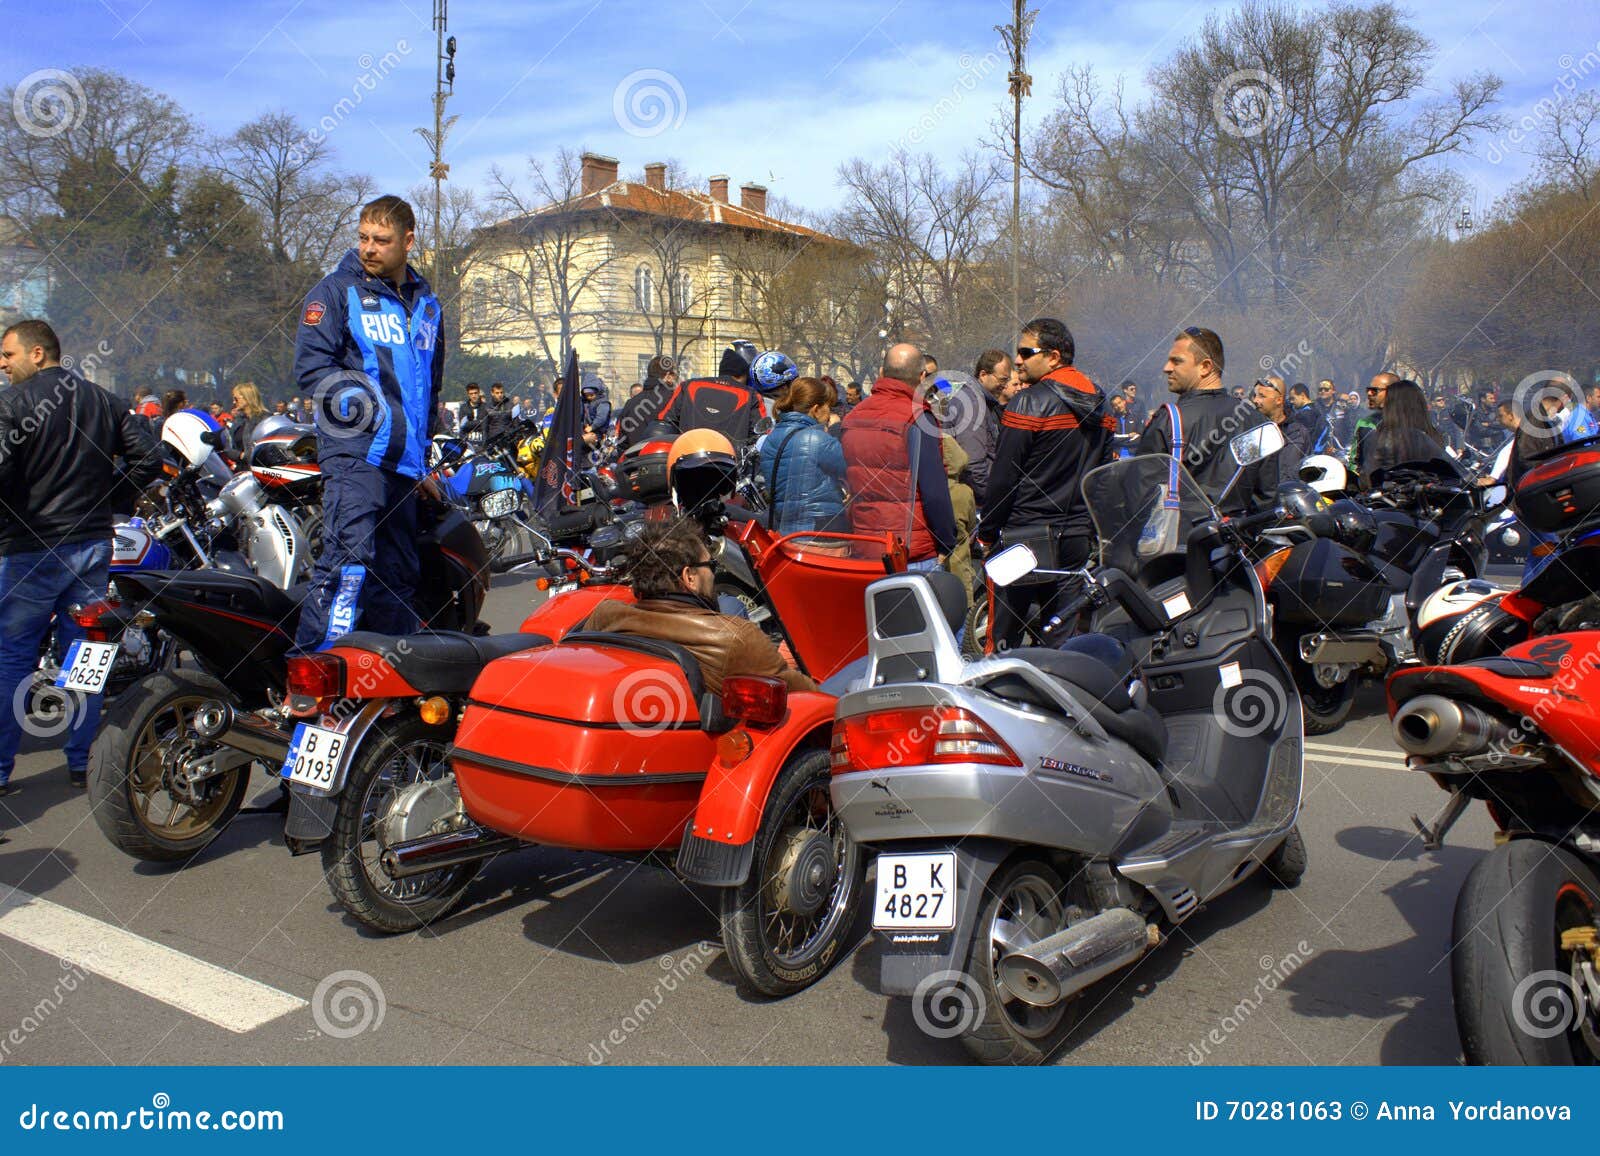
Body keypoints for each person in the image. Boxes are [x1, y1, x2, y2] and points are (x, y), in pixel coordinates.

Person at [0, 320, 163, 793]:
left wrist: (13, 515)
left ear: (37, 353)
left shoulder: (12, 403)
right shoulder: (103, 400)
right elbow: (148, 459)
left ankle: (3, 770)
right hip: (91, 543)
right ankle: (81, 762)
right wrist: (110, 501)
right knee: (85, 657)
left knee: (12, 660)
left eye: (8, 354)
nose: (3, 364)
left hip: (31, 548)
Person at [291, 194, 444, 651]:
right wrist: (369, 412)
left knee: (398, 575)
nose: (369, 248)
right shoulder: (335, 292)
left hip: (404, 465)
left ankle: (383, 684)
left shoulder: (429, 306)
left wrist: (422, 464)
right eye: (363, 238)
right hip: (355, 454)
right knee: (350, 560)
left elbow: (428, 390)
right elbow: (313, 370)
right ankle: (314, 672)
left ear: (408, 241)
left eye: (381, 240)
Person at [982, 317, 1113, 650]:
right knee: (1060, 636)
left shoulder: (1029, 401)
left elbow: (1004, 475)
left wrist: (987, 531)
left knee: (1002, 639)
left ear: (1054, 357)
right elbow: (1101, 476)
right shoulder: (1101, 402)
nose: (1019, 361)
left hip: (1024, 537)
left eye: (1026, 352)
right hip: (1075, 537)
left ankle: (995, 694)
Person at [584, 520, 815, 693]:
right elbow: (805, 695)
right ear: (690, 577)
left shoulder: (605, 615)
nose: (713, 573)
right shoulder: (737, 638)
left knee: (730, 604)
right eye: (710, 564)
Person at [840, 343, 957, 571]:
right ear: (922, 376)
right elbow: (934, 490)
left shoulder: (852, 417)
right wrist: (947, 540)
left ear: (882, 373)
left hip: (865, 547)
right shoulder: (918, 418)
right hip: (912, 552)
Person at [1137, 326, 1274, 509]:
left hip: (1180, 534)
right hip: (1237, 534)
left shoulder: (1168, 420)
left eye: (1176, 361)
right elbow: (1267, 500)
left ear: (1205, 366)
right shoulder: (1258, 423)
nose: (1166, 368)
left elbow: (1141, 496)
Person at [759, 377, 848, 534]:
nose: (829, 414)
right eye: (828, 407)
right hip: (822, 528)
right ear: (815, 409)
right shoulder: (818, 439)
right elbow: (852, 471)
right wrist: (835, 429)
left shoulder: (770, 440)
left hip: (785, 530)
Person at [664, 345, 765, 449]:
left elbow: (664, 421)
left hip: (685, 456)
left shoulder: (688, 386)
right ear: (743, 375)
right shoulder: (751, 395)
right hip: (731, 461)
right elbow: (762, 434)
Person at [954, 349, 1018, 509]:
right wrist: (991, 500)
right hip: (978, 502)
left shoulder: (978, 401)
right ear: (983, 375)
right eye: (1003, 380)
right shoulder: (973, 405)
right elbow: (973, 463)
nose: (1004, 386)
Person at [1357, 379, 1451, 483]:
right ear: (1420, 404)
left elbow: (1367, 479)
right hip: (1428, 496)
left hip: (1391, 496)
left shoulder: (1378, 437)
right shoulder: (1433, 434)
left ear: (1391, 405)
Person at [614, 355, 680, 450]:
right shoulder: (676, 400)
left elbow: (622, 443)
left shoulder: (631, 403)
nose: (677, 379)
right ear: (668, 376)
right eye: (676, 375)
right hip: (668, 459)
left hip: (636, 460)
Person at [1252, 377, 1309, 482]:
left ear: (1279, 400)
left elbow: (1306, 468)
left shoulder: (1298, 432)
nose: (1255, 400)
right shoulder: (1251, 431)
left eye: (1262, 396)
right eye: (1255, 396)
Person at [230, 381, 268, 462]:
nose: (233, 402)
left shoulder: (266, 420)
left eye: (236, 399)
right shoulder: (239, 420)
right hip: (241, 469)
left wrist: (245, 455)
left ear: (247, 398)